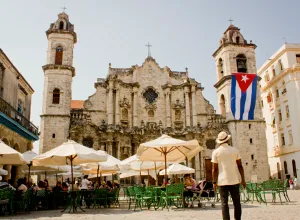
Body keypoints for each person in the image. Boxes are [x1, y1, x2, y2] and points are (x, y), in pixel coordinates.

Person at [212, 131, 246, 220]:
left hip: (222, 180)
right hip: (234, 179)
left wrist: (214, 182)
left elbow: (214, 169)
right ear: (228, 139)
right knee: (237, 202)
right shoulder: (235, 150)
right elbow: (240, 166)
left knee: (224, 203)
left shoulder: (216, 152)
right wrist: (243, 179)